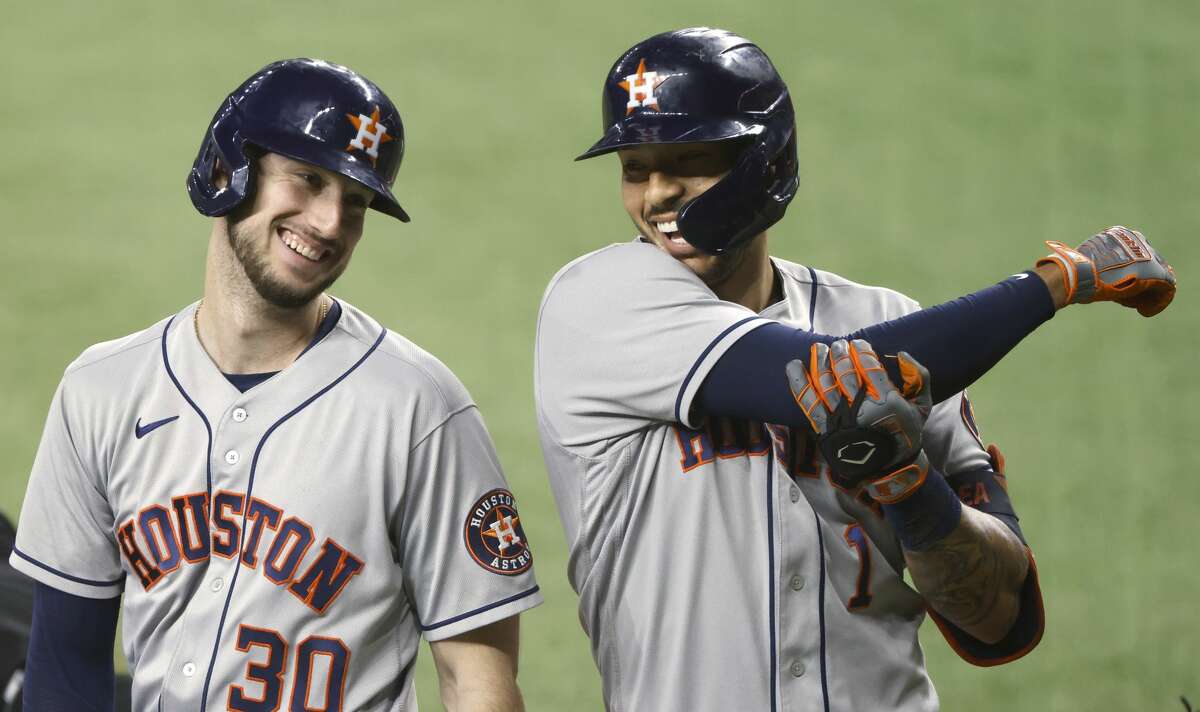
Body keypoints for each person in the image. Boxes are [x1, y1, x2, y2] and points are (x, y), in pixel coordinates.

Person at [534, 27, 1175, 711]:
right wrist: (1061, 278)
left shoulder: (886, 314)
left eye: (688, 160)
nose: (657, 195)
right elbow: (844, 374)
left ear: (765, 161)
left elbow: (999, 621)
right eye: (636, 168)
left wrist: (912, 494)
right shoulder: (597, 303)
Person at [10, 58, 540, 711]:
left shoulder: (422, 409)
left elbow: (478, 682)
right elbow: (64, 667)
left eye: (355, 201)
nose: (328, 223)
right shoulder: (101, 389)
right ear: (228, 170)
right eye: (308, 181)